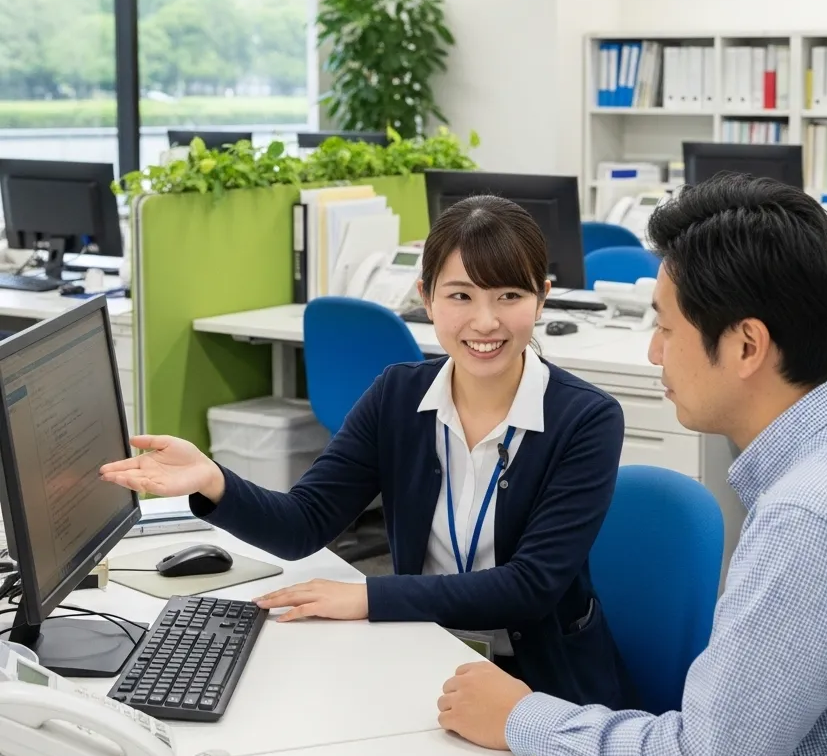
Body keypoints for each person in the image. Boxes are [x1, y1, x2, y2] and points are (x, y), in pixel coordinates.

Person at [437, 174, 827, 756]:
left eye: (666, 328)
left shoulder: (812, 518)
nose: (655, 354)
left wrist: (521, 718)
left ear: (747, 345)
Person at [100, 195, 634, 709]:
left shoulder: (585, 419)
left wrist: (367, 597)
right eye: (461, 295)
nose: (486, 321)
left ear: (542, 298)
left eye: (509, 297)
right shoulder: (398, 397)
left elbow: (529, 588)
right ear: (425, 298)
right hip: (418, 654)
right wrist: (211, 479)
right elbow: (302, 525)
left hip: (539, 684)